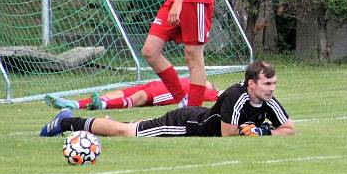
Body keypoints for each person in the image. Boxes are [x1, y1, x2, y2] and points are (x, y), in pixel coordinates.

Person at [39, 61, 295, 138]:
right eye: (267, 84)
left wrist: (265, 133)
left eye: (273, 83)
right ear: (251, 83)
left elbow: (289, 129)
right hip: (184, 125)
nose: (272, 88)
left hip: (195, 121)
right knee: (126, 132)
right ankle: (67, 122)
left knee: (136, 126)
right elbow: (228, 135)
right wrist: (255, 132)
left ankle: (95, 121)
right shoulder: (235, 96)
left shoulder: (268, 100)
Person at [44, 78, 221, 111]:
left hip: (163, 93)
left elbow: (223, 94)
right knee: (115, 92)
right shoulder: (191, 79)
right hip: (154, 84)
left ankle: (103, 106)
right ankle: (75, 104)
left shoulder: (206, 93)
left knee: (140, 98)